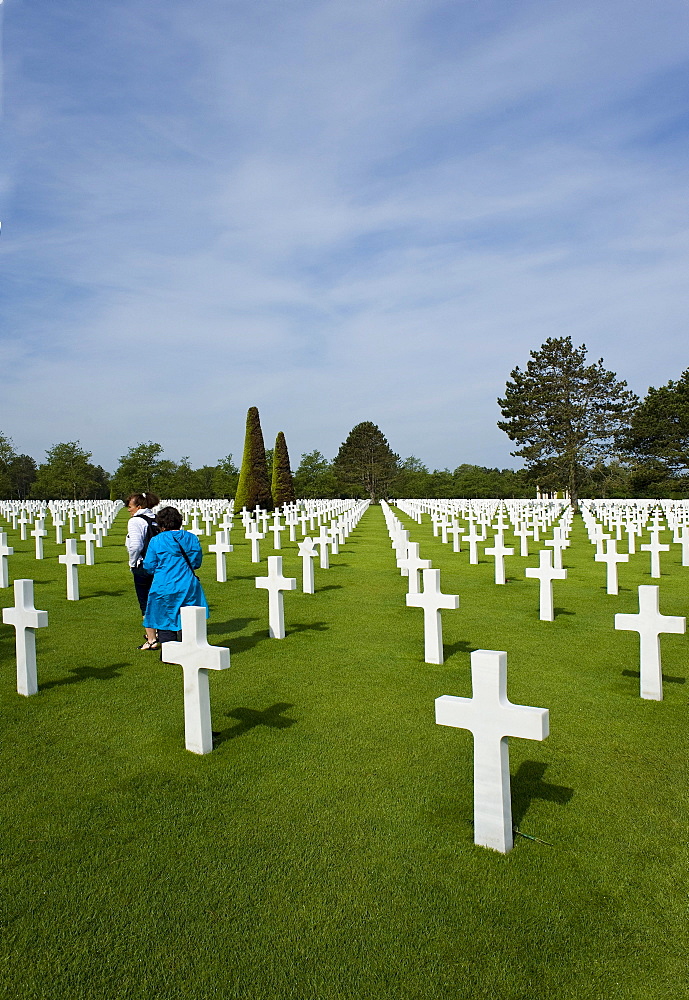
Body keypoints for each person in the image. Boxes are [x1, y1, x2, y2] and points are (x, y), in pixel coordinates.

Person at [142, 506, 209, 643]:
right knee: (190, 618)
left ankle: (169, 653)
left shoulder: (156, 540)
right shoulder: (191, 538)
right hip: (188, 584)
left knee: (164, 618)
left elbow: (149, 565)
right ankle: (190, 650)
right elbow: (196, 562)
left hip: (164, 584)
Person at [124, 491, 161, 650]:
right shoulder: (155, 518)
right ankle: (160, 632)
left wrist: (133, 562)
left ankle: (152, 639)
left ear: (139, 506)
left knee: (145, 602)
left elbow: (136, 546)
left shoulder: (135, 521)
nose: (128, 509)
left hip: (143, 565)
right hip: (159, 565)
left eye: (130, 506)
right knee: (159, 598)